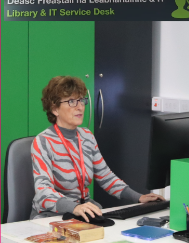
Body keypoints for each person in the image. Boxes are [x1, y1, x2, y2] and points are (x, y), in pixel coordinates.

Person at [31, 76, 164, 222]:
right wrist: (73, 207)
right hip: (52, 216)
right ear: (55, 108)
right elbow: (43, 191)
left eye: (81, 100)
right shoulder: (43, 141)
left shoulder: (87, 136)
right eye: (71, 101)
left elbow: (106, 176)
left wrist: (138, 197)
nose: (80, 106)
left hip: (84, 212)